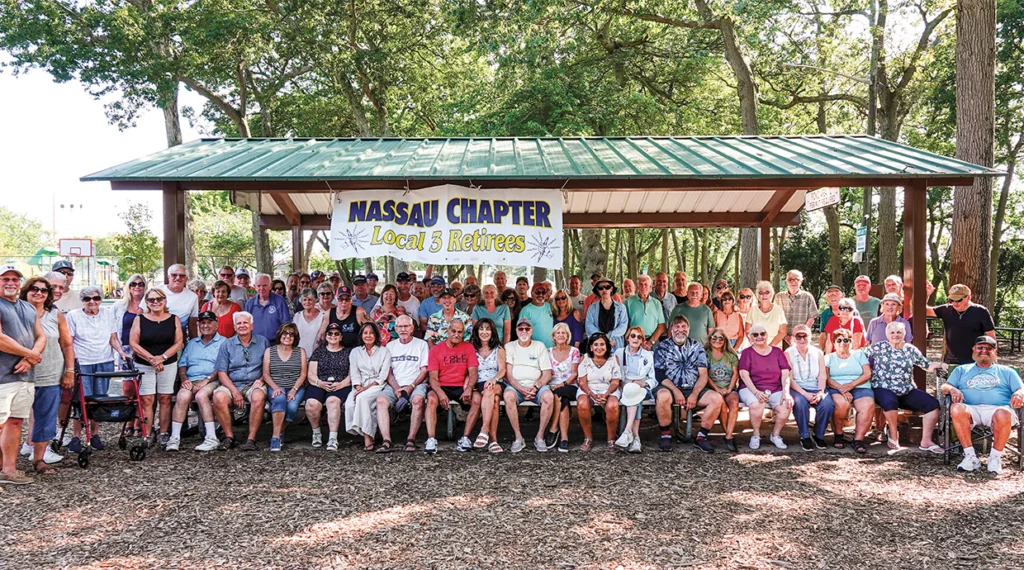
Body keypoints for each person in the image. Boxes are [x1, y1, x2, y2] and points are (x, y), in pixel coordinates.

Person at [941, 336, 1024, 473]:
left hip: (998, 409)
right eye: (980, 347)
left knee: (1003, 413)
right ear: (974, 349)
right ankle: (970, 457)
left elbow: (1021, 388)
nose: (983, 351)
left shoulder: (1007, 371)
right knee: (955, 408)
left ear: (995, 351)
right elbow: (945, 386)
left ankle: (995, 457)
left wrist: (1019, 394)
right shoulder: (962, 370)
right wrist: (952, 388)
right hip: (970, 409)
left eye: (988, 348)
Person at [864, 321, 946, 451]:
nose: (895, 335)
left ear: (904, 334)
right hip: (883, 386)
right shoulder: (878, 347)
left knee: (932, 405)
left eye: (899, 332)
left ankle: (926, 441)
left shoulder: (910, 349)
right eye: (892, 332)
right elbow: (859, 356)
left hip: (906, 389)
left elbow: (927, 365)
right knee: (890, 402)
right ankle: (893, 433)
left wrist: (940, 365)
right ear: (887, 334)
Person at [18, 276, 73, 470]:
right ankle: (6, 461)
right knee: (10, 419)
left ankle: (39, 458)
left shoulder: (55, 314)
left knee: (46, 417)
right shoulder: (13, 312)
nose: (38, 293)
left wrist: (69, 371)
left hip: (50, 374)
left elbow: (66, 344)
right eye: (34, 289)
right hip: (18, 374)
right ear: (25, 291)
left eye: (44, 290)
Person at [66, 286, 126, 452]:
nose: (92, 301)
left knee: (99, 400)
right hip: (83, 362)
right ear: (82, 301)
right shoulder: (73, 315)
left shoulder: (107, 314)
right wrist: (73, 361)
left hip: (104, 361)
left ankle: (95, 434)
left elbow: (113, 338)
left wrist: (121, 352)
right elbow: (68, 341)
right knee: (81, 401)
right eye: (87, 299)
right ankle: (76, 436)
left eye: (96, 298)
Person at [0, 266, 44, 485]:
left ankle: (8, 470)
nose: (11, 283)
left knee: (15, 422)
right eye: (5, 279)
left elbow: (41, 336)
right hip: (2, 376)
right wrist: (30, 354)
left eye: (15, 279)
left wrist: (29, 359)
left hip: (25, 375)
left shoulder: (27, 307)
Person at [653, 315, 721, 453]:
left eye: (684, 327)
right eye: (677, 327)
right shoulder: (662, 347)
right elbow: (660, 375)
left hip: (693, 387)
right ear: (671, 329)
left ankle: (701, 437)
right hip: (669, 387)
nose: (680, 330)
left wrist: (695, 394)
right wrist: (676, 392)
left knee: (716, 398)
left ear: (688, 329)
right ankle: (665, 435)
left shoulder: (697, 347)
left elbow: (703, 375)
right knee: (663, 396)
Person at [129, 287, 184, 447]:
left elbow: (178, 342)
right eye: (151, 300)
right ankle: (147, 433)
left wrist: (163, 357)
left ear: (165, 301)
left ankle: (164, 432)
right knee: (147, 399)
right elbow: (133, 343)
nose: (155, 302)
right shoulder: (140, 319)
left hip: (168, 362)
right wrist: (151, 359)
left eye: (159, 299)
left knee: (165, 398)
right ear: (146, 302)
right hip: (145, 363)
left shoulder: (174, 319)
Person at [166, 311, 226, 452]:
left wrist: (206, 380)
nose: (205, 325)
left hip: (212, 379)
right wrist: (184, 379)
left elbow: (223, 366)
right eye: (203, 323)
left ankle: (211, 437)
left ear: (216, 325)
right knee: (182, 396)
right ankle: (174, 438)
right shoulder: (193, 343)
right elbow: (182, 364)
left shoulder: (223, 342)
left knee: (201, 395)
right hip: (191, 379)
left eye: (209, 322)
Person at [211, 312, 270, 451]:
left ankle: (251, 439)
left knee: (258, 396)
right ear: (235, 326)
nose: (242, 326)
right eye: (239, 323)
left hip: (254, 383)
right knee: (218, 397)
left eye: (245, 323)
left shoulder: (263, 342)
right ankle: (229, 436)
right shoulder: (227, 344)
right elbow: (221, 372)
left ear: (252, 325)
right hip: (233, 383)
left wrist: (261, 379)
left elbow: (268, 367)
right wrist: (235, 392)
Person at [375, 315, 429, 453]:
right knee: (381, 401)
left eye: (406, 326)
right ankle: (387, 440)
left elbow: (424, 370)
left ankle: (411, 439)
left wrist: (411, 386)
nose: (403, 329)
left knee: (418, 400)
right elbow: (388, 371)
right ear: (395, 329)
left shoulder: (421, 344)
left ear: (412, 328)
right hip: (395, 384)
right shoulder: (390, 345)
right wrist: (397, 388)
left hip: (416, 383)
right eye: (400, 327)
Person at [424, 319, 478, 453]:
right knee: (431, 399)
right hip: (441, 385)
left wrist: (469, 388)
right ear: (448, 331)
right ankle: (431, 439)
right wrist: (440, 393)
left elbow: (473, 373)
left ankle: (465, 438)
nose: (456, 334)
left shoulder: (468, 347)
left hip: (461, 385)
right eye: (453, 331)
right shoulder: (436, 350)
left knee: (477, 399)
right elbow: (433, 377)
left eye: (460, 332)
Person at [738, 323, 794, 450]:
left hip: (774, 388)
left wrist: (786, 393)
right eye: (755, 334)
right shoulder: (747, 353)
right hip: (750, 388)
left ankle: (775, 435)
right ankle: (756, 434)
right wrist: (756, 392)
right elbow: (744, 374)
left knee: (786, 405)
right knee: (757, 404)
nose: (759, 337)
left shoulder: (777, 352)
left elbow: (785, 373)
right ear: (750, 337)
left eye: (762, 334)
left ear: (767, 335)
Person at [503, 317, 554, 452]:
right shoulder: (509, 347)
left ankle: (540, 437)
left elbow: (547, 372)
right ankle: (518, 438)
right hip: (516, 387)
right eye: (521, 329)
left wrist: (536, 386)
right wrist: (521, 388)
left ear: (532, 331)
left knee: (548, 396)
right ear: (516, 331)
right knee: (508, 396)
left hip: (537, 386)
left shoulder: (539, 346)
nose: (524, 331)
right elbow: (508, 375)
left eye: (527, 329)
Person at [785, 324, 834, 451]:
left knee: (827, 404)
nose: (802, 339)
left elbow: (822, 376)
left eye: (805, 336)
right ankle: (804, 436)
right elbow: (789, 378)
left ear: (810, 336)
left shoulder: (818, 352)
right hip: (797, 388)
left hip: (816, 387)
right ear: (793, 338)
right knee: (800, 403)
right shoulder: (788, 353)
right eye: (798, 336)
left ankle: (819, 435)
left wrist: (820, 392)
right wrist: (805, 394)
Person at [825, 328, 874, 454]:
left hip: (860, 385)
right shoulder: (829, 357)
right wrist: (842, 389)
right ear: (834, 343)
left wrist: (851, 385)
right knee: (842, 404)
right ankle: (838, 434)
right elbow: (826, 378)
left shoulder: (859, 354)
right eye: (839, 340)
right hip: (836, 387)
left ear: (851, 341)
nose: (843, 343)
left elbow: (867, 374)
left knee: (868, 405)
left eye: (846, 340)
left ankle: (858, 440)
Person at [304, 323, 351, 451]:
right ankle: (316, 433)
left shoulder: (348, 352)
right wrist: (320, 383)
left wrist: (340, 384)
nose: (333, 336)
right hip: (319, 383)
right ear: (326, 336)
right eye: (330, 333)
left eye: (336, 333)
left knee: (332, 401)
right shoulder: (319, 351)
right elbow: (311, 374)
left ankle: (333, 438)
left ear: (341, 337)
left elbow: (352, 375)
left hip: (341, 384)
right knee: (312, 404)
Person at [346, 323, 390, 451]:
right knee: (349, 404)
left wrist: (364, 390)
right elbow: (354, 372)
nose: (368, 335)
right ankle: (366, 431)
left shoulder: (384, 351)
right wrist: (358, 387)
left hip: (377, 385)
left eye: (371, 333)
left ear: (376, 335)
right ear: (361, 335)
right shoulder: (355, 352)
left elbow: (383, 375)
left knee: (362, 399)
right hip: (360, 385)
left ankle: (368, 436)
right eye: (365, 333)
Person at [927, 284, 996, 365]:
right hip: (951, 360)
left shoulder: (981, 311)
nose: (955, 303)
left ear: (968, 297)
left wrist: (993, 359)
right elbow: (923, 310)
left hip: (975, 359)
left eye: (959, 300)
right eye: (952, 300)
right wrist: (927, 294)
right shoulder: (946, 310)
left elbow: (991, 337)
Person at [575, 332, 622, 451]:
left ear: (607, 346)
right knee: (582, 404)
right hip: (589, 389)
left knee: (612, 405)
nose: (599, 347)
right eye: (595, 344)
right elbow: (582, 382)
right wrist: (592, 395)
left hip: (609, 389)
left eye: (602, 344)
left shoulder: (613, 359)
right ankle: (588, 438)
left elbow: (615, 382)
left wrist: (606, 394)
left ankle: (611, 439)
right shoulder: (584, 359)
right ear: (591, 347)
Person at [613, 326, 657, 453]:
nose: (635, 339)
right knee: (631, 392)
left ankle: (627, 431)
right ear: (627, 338)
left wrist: (643, 384)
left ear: (643, 340)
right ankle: (636, 438)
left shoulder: (648, 355)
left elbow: (653, 379)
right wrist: (623, 384)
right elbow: (615, 373)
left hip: (643, 388)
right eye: (633, 336)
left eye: (639, 337)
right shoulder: (619, 353)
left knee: (635, 392)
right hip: (623, 387)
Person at [698, 328, 739, 452]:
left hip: (728, 387)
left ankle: (728, 435)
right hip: (712, 388)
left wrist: (729, 388)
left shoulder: (731, 355)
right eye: (714, 337)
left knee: (734, 402)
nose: (717, 340)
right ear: (710, 340)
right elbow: (706, 375)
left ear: (725, 340)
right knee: (720, 403)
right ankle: (729, 435)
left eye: (720, 338)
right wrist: (717, 389)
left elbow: (735, 373)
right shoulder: (704, 354)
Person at [470, 318, 506, 453]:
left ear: (492, 332)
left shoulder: (499, 348)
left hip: (496, 381)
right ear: (477, 331)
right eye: (481, 329)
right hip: (479, 382)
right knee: (495, 401)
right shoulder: (472, 347)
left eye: (488, 329)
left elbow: (502, 369)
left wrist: (494, 379)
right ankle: (493, 440)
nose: (484, 332)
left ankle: (484, 430)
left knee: (490, 389)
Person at [543, 322, 580, 453]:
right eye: (558, 333)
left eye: (563, 332)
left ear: (567, 335)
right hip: (552, 385)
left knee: (559, 393)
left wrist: (562, 384)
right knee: (562, 399)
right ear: (553, 336)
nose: (560, 335)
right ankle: (564, 438)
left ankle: (553, 428)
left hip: (570, 385)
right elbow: (545, 372)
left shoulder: (574, 351)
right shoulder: (547, 352)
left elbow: (575, 374)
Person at [774, 270, 818, 345]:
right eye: (790, 279)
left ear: (801, 281)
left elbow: (812, 318)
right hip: (781, 338)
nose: (793, 282)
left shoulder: (808, 297)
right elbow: (775, 317)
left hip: (802, 339)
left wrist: (800, 334)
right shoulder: (779, 297)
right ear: (786, 281)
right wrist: (785, 336)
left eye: (797, 279)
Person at [244, 273, 291, 341]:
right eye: (259, 286)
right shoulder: (250, 303)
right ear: (255, 286)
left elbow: (286, 325)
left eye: (265, 285)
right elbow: (246, 325)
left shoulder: (280, 301)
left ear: (270, 286)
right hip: (255, 343)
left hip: (275, 343)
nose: (261, 288)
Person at [585, 279, 628, 350]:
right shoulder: (592, 308)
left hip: (616, 344)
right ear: (598, 290)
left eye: (607, 287)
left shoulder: (621, 307)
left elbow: (623, 326)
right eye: (600, 288)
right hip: (597, 346)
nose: (604, 290)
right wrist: (603, 338)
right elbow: (589, 326)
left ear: (611, 289)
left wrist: (610, 336)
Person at [625, 275, 666, 349]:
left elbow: (661, 326)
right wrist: (638, 340)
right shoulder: (628, 302)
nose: (643, 287)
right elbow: (625, 325)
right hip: (634, 342)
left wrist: (650, 342)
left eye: (646, 284)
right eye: (641, 284)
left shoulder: (656, 303)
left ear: (650, 287)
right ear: (637, 287)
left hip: (653, 343)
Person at [159, 264, 199, 339]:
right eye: (174, 275)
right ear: (168, 277)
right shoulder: (156, 291)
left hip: (179, 337)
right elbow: (142, 315)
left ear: (186, 279)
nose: (178, 278)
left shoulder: (192, 297)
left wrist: (195, 343)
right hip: (154, 336)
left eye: (182, 276)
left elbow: (192, 323)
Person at [114, 274, 147, 361]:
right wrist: (119, 350)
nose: (137, 287)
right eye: (133, 284)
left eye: (141, 284)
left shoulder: (151, 305)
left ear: (145, 287)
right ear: (128, 287)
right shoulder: (119, 306)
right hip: (124, 349)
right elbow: (111, 329)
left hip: (145, 349)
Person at [747, 281, 787, 348]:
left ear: (771, 294)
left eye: (767, 292)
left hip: (774, 348)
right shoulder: (752, 310)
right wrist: (758, 345)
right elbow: (747, 331)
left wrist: (769, 347)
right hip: (757, 348)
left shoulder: (778, 310)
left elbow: (783, 332)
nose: (764, 295)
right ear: (757, 295)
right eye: (761, 293)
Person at [518, 283, 555, 348]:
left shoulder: (548, 306)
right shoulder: (526, 310)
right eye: (537, 292)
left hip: (551, 349)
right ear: (532, 293)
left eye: (543, 292)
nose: (540, 295)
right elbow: (522, 332)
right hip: (535, 350)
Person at [293, 288, 325, 357]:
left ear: (315, 300)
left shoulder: (323, 316)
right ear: (301, 301)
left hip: (317, 355)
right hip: (298, 355)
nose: (307, 302)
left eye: (310, 299)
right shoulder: (297, 316)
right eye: (304, 299)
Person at [818, 285, 843, 350]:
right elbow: (823, 334)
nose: (833, 296)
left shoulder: (850, 311)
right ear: (827, 298)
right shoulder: (825, 314)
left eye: (836, 294)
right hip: (831, 351)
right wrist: (820, 351)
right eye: (830, 295)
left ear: (842, 296)